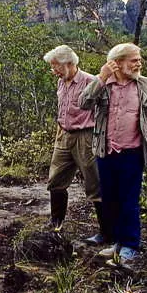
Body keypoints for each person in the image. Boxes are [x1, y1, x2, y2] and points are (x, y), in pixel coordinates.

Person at [79, 43, 147, 266]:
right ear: (117, 63)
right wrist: (101, 77)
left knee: (129, 200)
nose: (139, 63)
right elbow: (83, 103)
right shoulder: (104, 84)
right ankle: (118, 242)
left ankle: (131, 246)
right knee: (110, 200)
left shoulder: (145, 85)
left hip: (132, 153)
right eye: (134, 60)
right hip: (105, 152)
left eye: (139, 59)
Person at [43, 45, 108, 244]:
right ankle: (56, 224)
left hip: (86, 137)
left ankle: (106, 232)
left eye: (56, 66)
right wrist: (58, 135)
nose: (53, 71)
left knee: (94, 183)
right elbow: (62, 110)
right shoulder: (61, 83)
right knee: (55, 181)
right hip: (63, 135)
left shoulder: (90, 81)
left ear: (70, 64)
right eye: (52, 66)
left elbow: (106, 110)